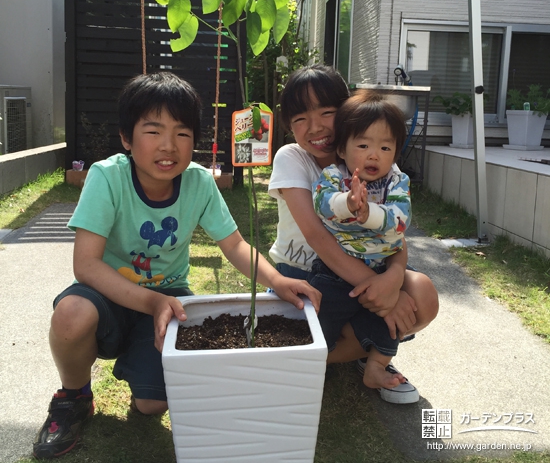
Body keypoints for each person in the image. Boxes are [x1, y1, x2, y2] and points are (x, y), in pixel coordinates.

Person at [33, 72, 321, 459]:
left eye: (182, 133)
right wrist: (150, 303)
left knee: (153, 406)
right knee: (70, 314)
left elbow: (235, 245)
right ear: (126, 137)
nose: (169, 146)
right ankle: (74, 396)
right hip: (108, 293)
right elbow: (86, 265)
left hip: (169, 298)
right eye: (153, 131)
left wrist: (277, 280)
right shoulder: (107, 177)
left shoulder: (199, 183)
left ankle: (141, 373)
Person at [268, 64, 438, 404]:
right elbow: (319, 237)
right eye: (300, 118)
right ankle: (306, 356)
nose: (315, 127)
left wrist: (391, 279)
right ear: (289, 125)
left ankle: (366, 354)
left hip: (365, 272)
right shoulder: (293, 158)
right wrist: (382, 296)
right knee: (332, 313)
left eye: (327, 112)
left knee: (422, 293)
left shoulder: (377, 159)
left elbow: (397, 233)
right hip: (304, 275)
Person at [311, 90, 420, 393]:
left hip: (382, 271)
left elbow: (400, 219)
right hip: (334, 275)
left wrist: (368, 212)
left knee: (391, 324)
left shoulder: (397, 182)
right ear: (343, 150)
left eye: (385, 147)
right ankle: (310, 363)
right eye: (363, 145)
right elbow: (322, 203)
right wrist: (348, 202)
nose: (374, 154)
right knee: (321, 323)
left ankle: (375, 367)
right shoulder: (334, 176)